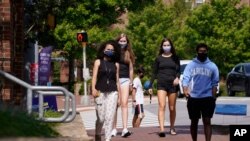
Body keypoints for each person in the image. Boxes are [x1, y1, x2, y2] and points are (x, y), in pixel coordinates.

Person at [182, 43, 219, 141]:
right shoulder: (191, 65)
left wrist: (213, 96)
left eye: (204, 51)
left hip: (207, 97)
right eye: (200, 51)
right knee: (194, 122)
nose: (202, 53)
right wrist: (185, 90)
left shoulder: (212, 66)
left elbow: (215, 83)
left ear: (207, 52)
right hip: (194, 97)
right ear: (197, 52)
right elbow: (185, 79)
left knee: (207, 121)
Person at [148, 38, 180, 137]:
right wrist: (150, 85)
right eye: (164, 45)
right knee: (162, 106)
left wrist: (177, 78)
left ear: (171, 46)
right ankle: (162, 129)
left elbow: (179, 71)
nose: (166, 47)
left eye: (168, 45)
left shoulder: (175, 58)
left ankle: (172, 127)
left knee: (172, 108)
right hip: (161, 84)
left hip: (172, 85)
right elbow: (154, 73)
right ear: (162, 46)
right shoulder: (158, 58)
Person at [92, 40, 121, 141]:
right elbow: (94, 77)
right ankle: (97, 133)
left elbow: (117, 81)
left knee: (109, 118)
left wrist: (119, 98)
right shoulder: (98, 62)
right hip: (100, 91)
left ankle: (107, 139)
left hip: (113, 92)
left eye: (112, 50)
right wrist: (93, 89)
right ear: (103, 50)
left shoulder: (116, 64)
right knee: (101, 118)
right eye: (108, 49)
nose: (110, 51)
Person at [111, 33, 135, 137]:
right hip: (115, 80)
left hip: (125, 80)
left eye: (124, 41)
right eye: (121, 41)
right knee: (116, 104)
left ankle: (125, 128)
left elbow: (131, 69)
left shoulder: (128, 53)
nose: (122, 43)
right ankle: (114, 128)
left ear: (127, 42)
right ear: (117, 41)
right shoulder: (114, 53)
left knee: (124, 103)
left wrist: (131, 82)